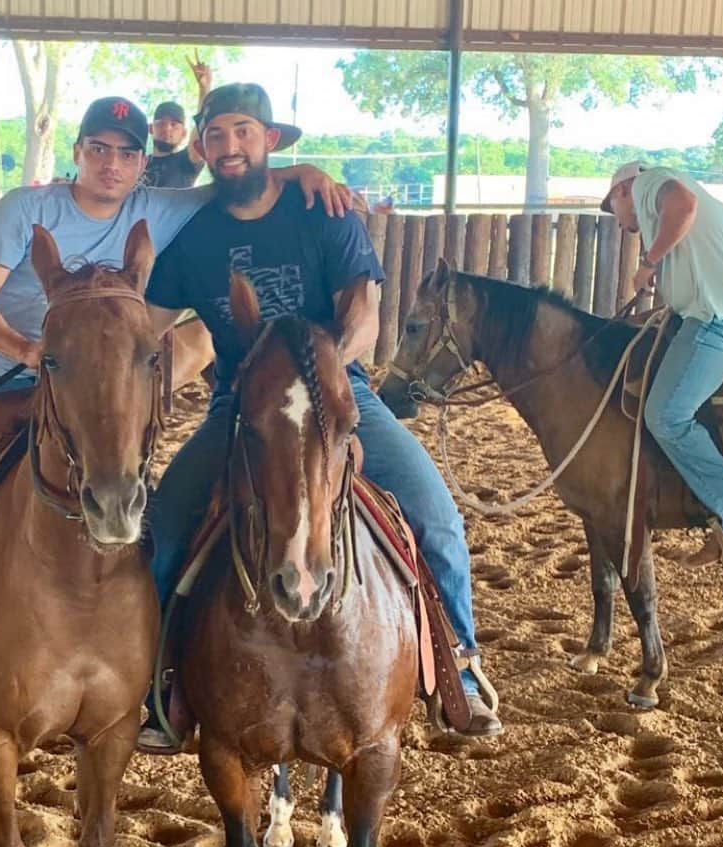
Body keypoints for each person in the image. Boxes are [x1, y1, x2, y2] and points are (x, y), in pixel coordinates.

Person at [0, 95, 352, 721]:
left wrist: (303, 173)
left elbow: (236, 183)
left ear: (144, 164)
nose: (113, 164)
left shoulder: (156, 208)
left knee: (132, 467)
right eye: (100, 150)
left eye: (127, 153)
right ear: (78, 153)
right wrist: (25, 349)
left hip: (87, 380)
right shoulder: (27, 208)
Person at [138, 83, 501, 753]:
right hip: (242, 406)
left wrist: (332, 367)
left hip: (341, 396)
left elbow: (361, 313)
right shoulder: (193, 238)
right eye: (215, 136)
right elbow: (150, 327)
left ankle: (462, 669)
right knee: (164, 524)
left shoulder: (322, 211)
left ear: (269, 139)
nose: (228, 147)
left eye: (242, 131)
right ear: (201, 147)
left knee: (437, 515)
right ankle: (159, 686)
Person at [602, 161, 723, 566]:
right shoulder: (660, 199)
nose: (618, 223)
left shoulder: (649, 183)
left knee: (666, 415)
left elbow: (683, 205)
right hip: (720, 308)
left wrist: (648, 262)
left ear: (622, 192)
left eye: (611, 209)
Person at [142, 52, 211, 190]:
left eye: (174, 125)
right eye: (161, 123)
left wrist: (204, 89)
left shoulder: (186, 161)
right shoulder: (137, 163)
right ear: (150, 128)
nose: (167, 128)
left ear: (184, 133)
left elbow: (201, 127)